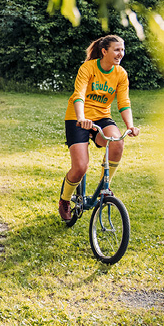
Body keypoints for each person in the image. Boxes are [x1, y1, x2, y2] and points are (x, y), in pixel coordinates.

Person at [58, 35, 139, 222]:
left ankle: (105, 186)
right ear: (104, 51)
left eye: (122, 50)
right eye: (116, 50)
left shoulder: (121, 74)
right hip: (77, 117)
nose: (121, 54)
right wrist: (81, 118)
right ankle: (64, 200)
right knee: (80, 167)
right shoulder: (88, 68)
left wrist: (130, 126)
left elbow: (124, 102)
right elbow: (79, 95)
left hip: (102, 116)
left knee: (117, 143)